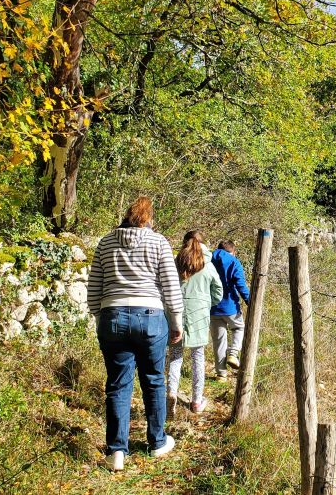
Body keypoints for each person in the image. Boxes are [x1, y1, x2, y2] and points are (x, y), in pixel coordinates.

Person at [87, 196, 183, 472]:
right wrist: (176, 322)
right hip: (151, 317)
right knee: (153, 380)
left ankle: (116, 450)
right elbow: (170, 287)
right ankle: (157, 442)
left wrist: (100, 316)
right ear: (149, 219)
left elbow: (94, 287)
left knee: (118, 384)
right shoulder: (158, 242)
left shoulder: (105, 242)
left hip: (112, 316)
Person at [167, 231, 223, 416]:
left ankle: (171, 393)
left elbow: (165, 286)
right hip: (199, 315)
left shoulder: (175, 263)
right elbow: (218, 292)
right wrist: (206, 303)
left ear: (184, 243)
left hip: (176, 314)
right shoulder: (208, 265)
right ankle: (197, 401)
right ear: (203, 244)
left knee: (175, 356)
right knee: (198, 357)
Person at [210, 240, 250, 380]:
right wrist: (249, 301)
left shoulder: (208, 259)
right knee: (238, 328)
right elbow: (241, 285)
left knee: (219, 341)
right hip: (230, 307)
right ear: (233, 251)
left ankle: (221, 374)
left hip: (212, 307)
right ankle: (233, 353)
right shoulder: (234, 262)